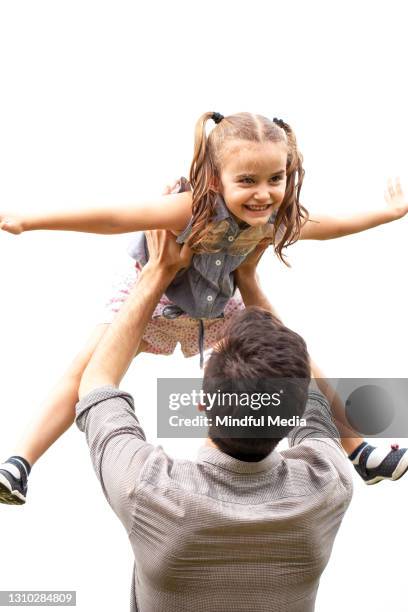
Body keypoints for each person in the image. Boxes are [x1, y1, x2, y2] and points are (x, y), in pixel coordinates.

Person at [0, 112, 407, 506]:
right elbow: (114, 216)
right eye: (247, 180)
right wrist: (28, 220)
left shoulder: (273, 218)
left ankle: (358, 451)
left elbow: (331, 225)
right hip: (155, 298)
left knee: (295, 359)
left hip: (216, 305)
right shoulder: (190, 208)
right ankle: (20, 462)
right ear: (216, 178)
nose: (263, 193)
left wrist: (388, 213)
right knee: (84, 373)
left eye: (275, 179)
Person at [74, 228, 352, 612]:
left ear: (202, 402)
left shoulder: (149, 491)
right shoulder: (328, 483)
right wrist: (249, 281)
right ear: (293, 422)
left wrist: (156, 272)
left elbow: (96, 381)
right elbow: (307, 389)